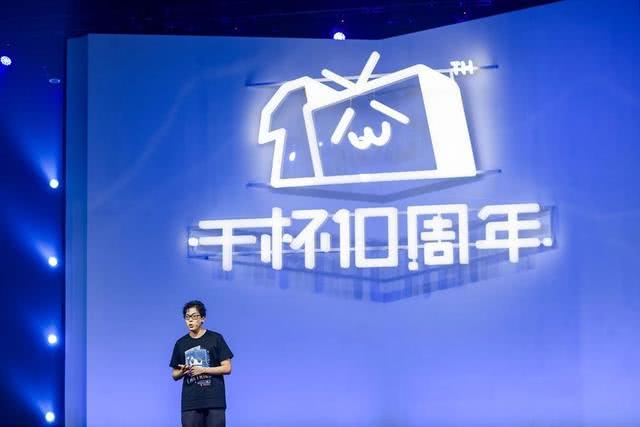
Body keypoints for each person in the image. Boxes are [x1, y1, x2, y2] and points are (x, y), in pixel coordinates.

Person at [170, 300, 234, 427]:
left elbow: (227, 368)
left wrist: (203, 369)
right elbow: (174, 374)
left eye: (194, 316)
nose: (190, 320)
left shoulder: (216, 338)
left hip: (214, 401)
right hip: (190, 403)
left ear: (203, 318)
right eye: (187, 317)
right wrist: (182, 372)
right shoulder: (180, 343)